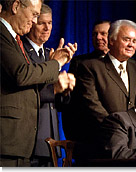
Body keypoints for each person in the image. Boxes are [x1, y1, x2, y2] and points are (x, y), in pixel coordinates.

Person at [0, 0, 77, 167]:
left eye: (49, 22)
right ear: (15, 6)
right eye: (35, 16)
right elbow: (21, 75)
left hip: (33, 142)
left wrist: (63, 90)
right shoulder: (4, 35)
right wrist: (56, 65)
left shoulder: (15, 40)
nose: (35, 22)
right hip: (11, 141)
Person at [62, 19, 136, 161]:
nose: (131, 44)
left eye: (134, 41)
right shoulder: (89, 66)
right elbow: (92, 106)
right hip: (102, 147)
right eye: (126, 39)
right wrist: (120, 132)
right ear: (112, 41)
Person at [21, 4, 75, 166]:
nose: (47, 28)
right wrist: (54, 88)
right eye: (42, 23)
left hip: (51, 140)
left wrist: (65, 91)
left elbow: (56, 103)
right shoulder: (21, 52)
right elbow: (27, 93)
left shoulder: (49, 54)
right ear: (31, 23)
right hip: (30, 141)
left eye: (50, 23)